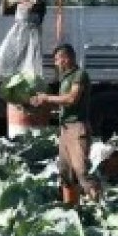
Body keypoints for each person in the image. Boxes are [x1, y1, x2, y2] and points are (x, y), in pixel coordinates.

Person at [30, 44, 91, 206]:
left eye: (57, 59)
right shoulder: (64, 79)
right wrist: (41, 105)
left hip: (77, 128)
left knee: (81, 171)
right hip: (65, 129)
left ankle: (99, 208)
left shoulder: (79, 75)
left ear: (66, 58)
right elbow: (63, 104)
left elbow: (72, 99)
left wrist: (47, 98)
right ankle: (71, 208)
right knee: (66, 174)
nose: (56, 63)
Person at [0, 0, 47, 79]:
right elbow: (4, 11)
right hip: (17, 32)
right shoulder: (21, 2)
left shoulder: (40, 3)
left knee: (30, 57)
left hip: (31, 33)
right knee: (6, 52)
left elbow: (31, 7)